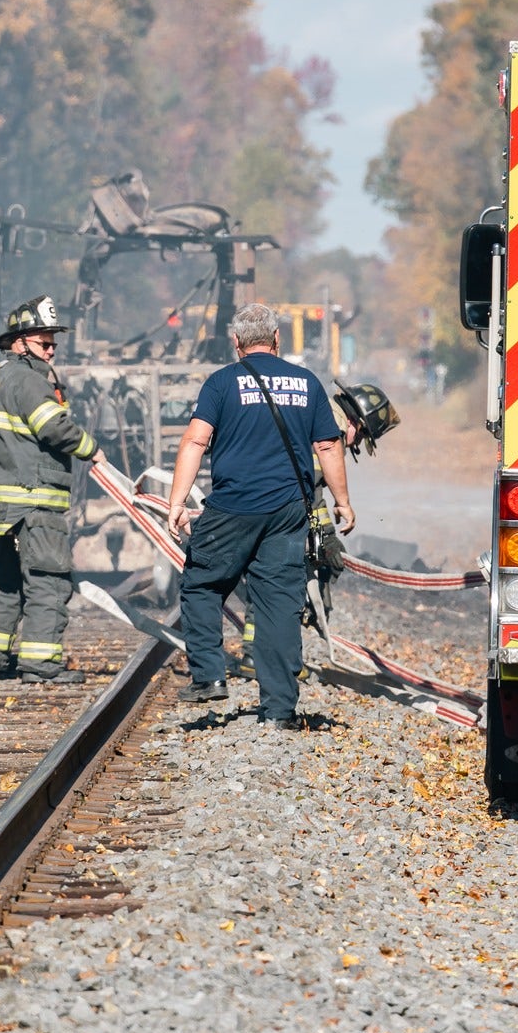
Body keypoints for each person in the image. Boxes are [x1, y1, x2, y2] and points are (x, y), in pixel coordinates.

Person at [164, 302, 355, 725]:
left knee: (201, 583)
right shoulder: (306, 383)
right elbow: (328, 446)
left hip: (233, 507)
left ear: (236, 343)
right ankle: (280, 711)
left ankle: (210, 677)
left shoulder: (221, 383)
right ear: (276, 339)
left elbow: (195, 442)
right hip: (288, 511)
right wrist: (342, 501)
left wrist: (177, 502)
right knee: (278, 604)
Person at [0, 296, 100, 683]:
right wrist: (93, 449)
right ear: (19, 342)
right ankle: (40, 664)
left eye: (53, 344)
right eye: (45, 343)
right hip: (34, 500)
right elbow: (53, 429)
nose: (52, 350)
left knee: (4, 584)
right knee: (48, 580)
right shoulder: (29, 380)